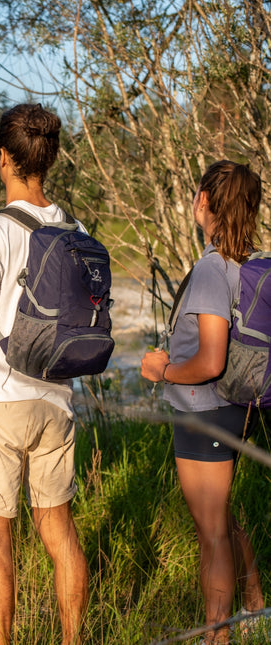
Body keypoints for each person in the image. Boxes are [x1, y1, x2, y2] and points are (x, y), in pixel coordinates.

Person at [0, 103, 89, 645]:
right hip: (56, 402)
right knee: (59, 531)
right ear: (47, 159)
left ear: (4, 157)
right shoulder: (76, 228)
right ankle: (72, 638)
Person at [141, 160, 265, 644]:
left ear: (206, 201)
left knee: (210, 529)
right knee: (221, 515)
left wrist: (162, 370)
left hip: (205, 409)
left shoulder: (214, 270)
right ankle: (253, 605)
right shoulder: (246, 263)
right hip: (232, 409)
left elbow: (211, 360)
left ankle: (218, 636)